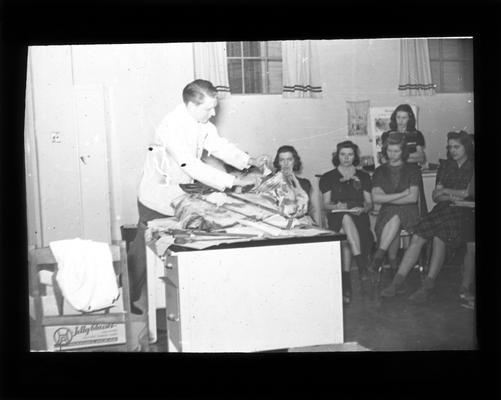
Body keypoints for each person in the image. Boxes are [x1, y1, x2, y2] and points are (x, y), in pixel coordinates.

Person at [128, 79, 267, 313]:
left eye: (214, 107)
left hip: (179, 193)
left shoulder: (200, 121)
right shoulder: (172, 126)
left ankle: (187, 302)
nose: (213, 114)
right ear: (191, 105)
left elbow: (218, 145)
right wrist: (234, 181)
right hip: (158, 195)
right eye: (208, 108)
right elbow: (191, 165)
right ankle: (125, 297)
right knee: (142, 250)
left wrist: (247, 161)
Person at [380, 131, 474, 303]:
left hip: (465, 212)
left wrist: (447, 192)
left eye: (457, 147)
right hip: (443, 209)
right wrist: (455, 194)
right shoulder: (446, 165)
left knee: (440, 237)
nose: (452, 150)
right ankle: (396, 282)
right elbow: (436, 196)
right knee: (418, 235)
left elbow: (470, 193)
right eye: (450, 147)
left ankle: (427, 286)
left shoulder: (473, 166)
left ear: (467, 147)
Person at [319, 141, 374, 304]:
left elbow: (369, 203)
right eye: (343, 154)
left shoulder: (363, 176)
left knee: (344, 233)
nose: (346, 158)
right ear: (337, 156)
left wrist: (363, 209)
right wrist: (336, 206)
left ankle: (347, 284)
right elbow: (325, 204)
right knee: (344, 218)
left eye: (350, 154)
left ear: (354, 156)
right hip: (336, 215)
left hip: (358, 216)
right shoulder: (329, 177)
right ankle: (361, 266)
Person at [380, 104, 428, 264]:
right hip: (393, 177)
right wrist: (407, 157)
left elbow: (421, 157)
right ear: (394, 118)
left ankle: (411, 258)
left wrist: (399, 157)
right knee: (393, 211)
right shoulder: (387, 134)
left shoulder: (416, 134)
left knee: (415, 214)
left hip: (412, 176)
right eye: (398, 117)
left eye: (404, 117)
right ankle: (394, 260)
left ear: (410, 119)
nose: (401, 121)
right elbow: (385, 158)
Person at [370, 132, 420, 274]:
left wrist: (389, 197)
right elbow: (376, 198)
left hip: (409, 210)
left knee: (395, 215)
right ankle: (392, 264)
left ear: (403, 151)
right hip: (388, 211)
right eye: (389, 151)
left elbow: (413, 198)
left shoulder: (413, 169)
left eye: (396, 151)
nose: (392, 154)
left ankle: (381, 256)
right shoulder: (380, 171)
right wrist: (403, 194)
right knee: (394, 217)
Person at [272, 145, 316, 221]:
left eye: (289, 159)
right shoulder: (272, 182)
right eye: (282, 160)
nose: (286, 163)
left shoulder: (304, 183)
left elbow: (304, 208)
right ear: (278, 163)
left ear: (294, 161)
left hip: (300, 221)